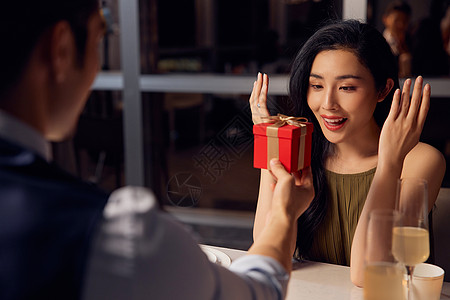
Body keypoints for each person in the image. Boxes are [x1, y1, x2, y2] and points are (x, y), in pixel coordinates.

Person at [0, 0, 314, 299]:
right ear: (62, 50)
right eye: (99, 39)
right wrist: (283, 215)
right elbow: (257, 292)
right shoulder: (110, 239)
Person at [249, 19, 446, 287]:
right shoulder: (305, 152)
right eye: (316, 86)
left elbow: (367, 274)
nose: (327, 104)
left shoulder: (420, 160)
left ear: (383, 89)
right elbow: (266, 252)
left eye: (347, 88)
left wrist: (389, 162)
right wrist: (270, 145)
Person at [382, 1, 413, 78]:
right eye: (397, 20)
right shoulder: (377, 42)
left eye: (405, 21)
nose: (401, 25)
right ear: (385, 19)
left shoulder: (412, 42)